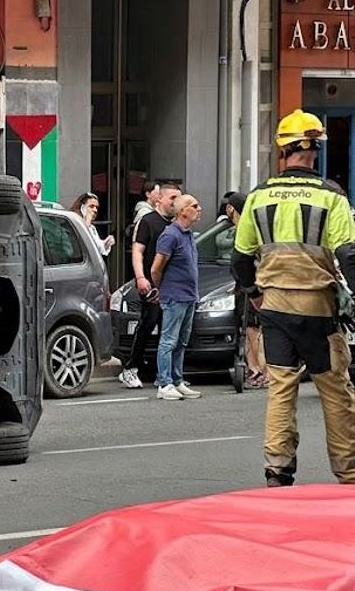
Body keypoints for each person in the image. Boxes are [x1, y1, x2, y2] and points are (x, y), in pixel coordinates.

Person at [232, 108, 355, 487]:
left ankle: (277, 471)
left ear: (282, 151)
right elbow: (348, 255)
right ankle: (349, 475)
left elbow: (240, 259)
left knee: (281, 389)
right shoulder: (330, 196)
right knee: (335, 390)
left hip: (275, 309)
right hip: (318, 309)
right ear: (315, 149)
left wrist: (254, 293)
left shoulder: (259, 197)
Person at [118, 183, 181, 388]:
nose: (176, 202)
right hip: (151, 283)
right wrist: (140, 277)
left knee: (168, 327)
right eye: (172, 198)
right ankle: (130, 368)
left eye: (178, 198)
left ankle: (164, 374)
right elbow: (138, 252)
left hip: (171, 284)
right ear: (159, 198)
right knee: (148, 321)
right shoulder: (148, 221)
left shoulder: (177, 224)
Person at [150, 194, 203, 400]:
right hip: (174, 296)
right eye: (194, 206)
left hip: (189, 296)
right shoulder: (170, 235)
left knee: (181, 341)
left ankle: (177, 380)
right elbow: (156, 268)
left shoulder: (188, 235)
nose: (199, 209)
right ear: (183, 211)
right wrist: (159, 288)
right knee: (168, 340)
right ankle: (164, 383)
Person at [221, 191, 268, 389]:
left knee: (252, 328)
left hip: (251, 284)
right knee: (250, 328)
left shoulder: (245, 230)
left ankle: (259, 370)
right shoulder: (252, 227)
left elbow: (241, 261)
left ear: (232, 208)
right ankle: (257, 369)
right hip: (248, 283)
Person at [69, 192, 115, 256]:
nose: (95, 210)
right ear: (82, 208)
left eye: (96, 207)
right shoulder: (72, 224)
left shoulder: (93, 228)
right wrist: (86, 223)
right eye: (91, 206)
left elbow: (96, 248)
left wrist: (105, 244)